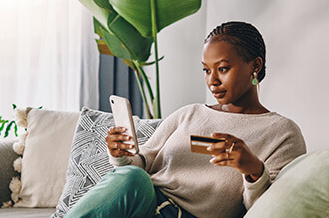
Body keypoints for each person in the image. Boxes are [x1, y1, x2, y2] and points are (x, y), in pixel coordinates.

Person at [65, 21, 307, 218]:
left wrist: (253, 170)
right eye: (206, 70)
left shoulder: (282, 133)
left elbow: (270, 210)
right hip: (143, 204)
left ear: (255, 66)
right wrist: (121, 156)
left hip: (185, 214)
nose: (212, 80)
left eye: (222, 69)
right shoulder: (189, 113)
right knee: (133, 176)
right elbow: (140, 167)